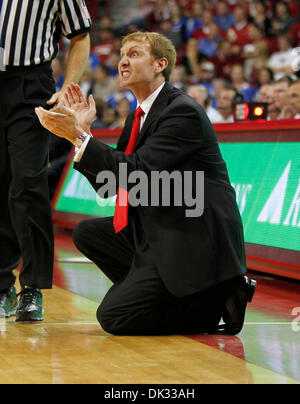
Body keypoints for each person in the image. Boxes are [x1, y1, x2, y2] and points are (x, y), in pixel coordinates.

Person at [36, 31, 256, 336]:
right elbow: (111, 186)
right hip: (162, 228)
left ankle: (208, 305)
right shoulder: (137, 117)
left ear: (159, 64)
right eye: (122, 54)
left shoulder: (181, 111)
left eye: (135, 53)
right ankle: (160, 292)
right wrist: (83, 134)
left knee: (114, 316)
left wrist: (79, 136)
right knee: (89, 233)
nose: (123, 60)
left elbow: (136, 172)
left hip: (194, 239)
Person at [0, 0, 91, 322]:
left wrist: (69, 84)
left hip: (29, 85)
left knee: (27, 180)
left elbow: (80, 35)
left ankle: (32, 286)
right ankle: (2, 285)